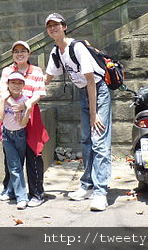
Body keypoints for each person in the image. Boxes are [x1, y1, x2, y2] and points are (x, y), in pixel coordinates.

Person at [43, 13, 112, 211]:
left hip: (98, 91)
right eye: (49, 26)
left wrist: (93, 113)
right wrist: (24, 96)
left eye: (56, 25)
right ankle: (88, 185)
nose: (53, 28)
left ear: (64, 26)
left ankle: (101, 192)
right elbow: (46, 79)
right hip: (84, 92)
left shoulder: (77, 47)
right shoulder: (56, 52)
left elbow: (91, 81)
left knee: (99, 139)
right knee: (86, 140)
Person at [0, 40, 49, 207]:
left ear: (29, 53)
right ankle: (10, 190)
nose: (19, 54)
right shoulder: (7, 70)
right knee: (11, 157)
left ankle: (37, 193)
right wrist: (13, 104)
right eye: (16, 51)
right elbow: (2, 90)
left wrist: (25, 105)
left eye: (23, 51)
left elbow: (39, 92)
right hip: (11, 113)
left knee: (33, 153)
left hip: (30, 112)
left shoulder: (37, 71)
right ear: (12, 54)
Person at [0, 71, 32, 210]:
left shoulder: (25, 100)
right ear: (8, 85)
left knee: (17, 165)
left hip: (20, 135)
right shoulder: (3, 99)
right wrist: (4, 100)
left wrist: (27, 109)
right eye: (13, 83)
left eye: (19, 83)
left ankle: (12, 192)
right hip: (7, 135)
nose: (16, 85)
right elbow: (0, 118)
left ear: (23, 85)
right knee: (14, 166)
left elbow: (23, 124)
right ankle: (21, 197)